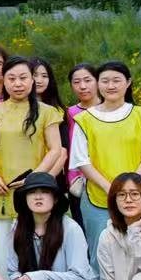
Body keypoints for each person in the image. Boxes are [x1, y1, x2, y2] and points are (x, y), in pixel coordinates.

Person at [71, 61, 141, 256]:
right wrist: (110, 188)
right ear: (97, 84)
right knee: (100, 253)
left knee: (140, 251)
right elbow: (82, 161)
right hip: (97, 195)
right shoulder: (84, 120)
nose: (110, 86)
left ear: (128, 83)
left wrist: (130, 187)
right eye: (105, 81)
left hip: (137, 195)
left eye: (116, 80)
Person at [0, 57, 64, 254]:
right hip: (1, 188)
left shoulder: (48, 112)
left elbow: (55, 149)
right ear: (4, 80)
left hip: (35, 189)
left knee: (36, 247)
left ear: (32, 80)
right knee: (3, 250)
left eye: (23, 78)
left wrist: (34, 178)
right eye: (11, 78)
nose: (17, 83)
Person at [64, 62, 100, 202]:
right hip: (77, 180)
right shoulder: (69, 113)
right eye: (76, 82)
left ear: (97, 81)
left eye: (88, 80)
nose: (83, 86)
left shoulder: (110, 110)